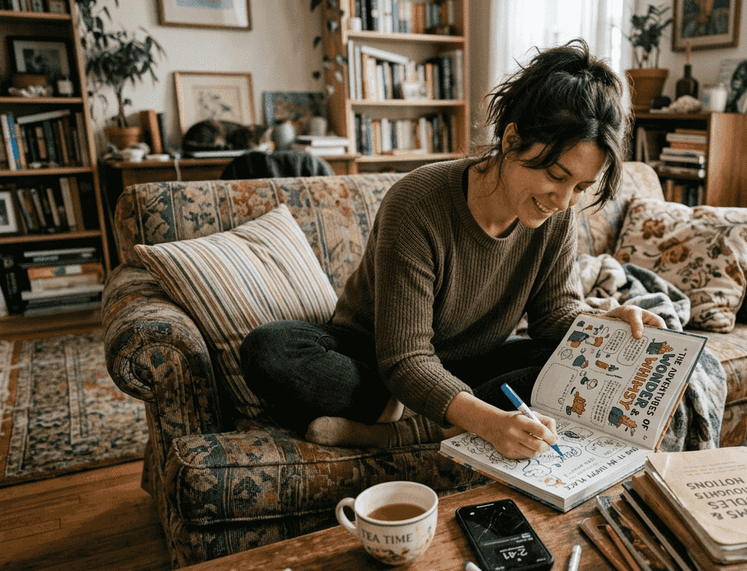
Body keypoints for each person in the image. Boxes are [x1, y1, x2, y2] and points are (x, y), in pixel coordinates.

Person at [240, 39, 665, 460]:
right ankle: (439, 416)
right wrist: (491, 423)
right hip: (376, 362)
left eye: (582, 187)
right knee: (271, 349)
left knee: (579, 360)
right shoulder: (417, 203)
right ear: (512, 140)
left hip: (469, 367)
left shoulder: (557, 215)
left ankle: (399, 431)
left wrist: (602, 326)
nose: (564, 200)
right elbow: (405, 357)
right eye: (556, 176)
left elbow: (554, 316)